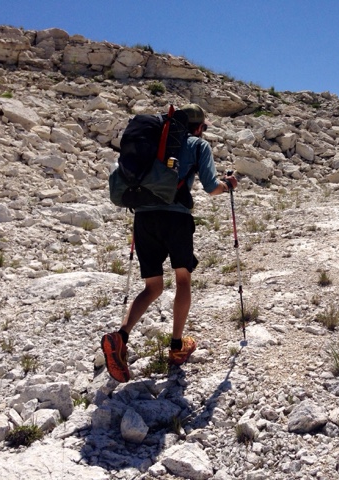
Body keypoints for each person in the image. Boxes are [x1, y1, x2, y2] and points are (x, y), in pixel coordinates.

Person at [101, 103, 238, 383]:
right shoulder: (198, 145)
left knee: (152, 287)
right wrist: (229, 185)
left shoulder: (154, 141)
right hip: (176, 219)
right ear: (199, 127)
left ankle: (121, 336)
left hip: (143, 219)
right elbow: (211, 188)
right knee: (183, 280)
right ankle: (177, 347)